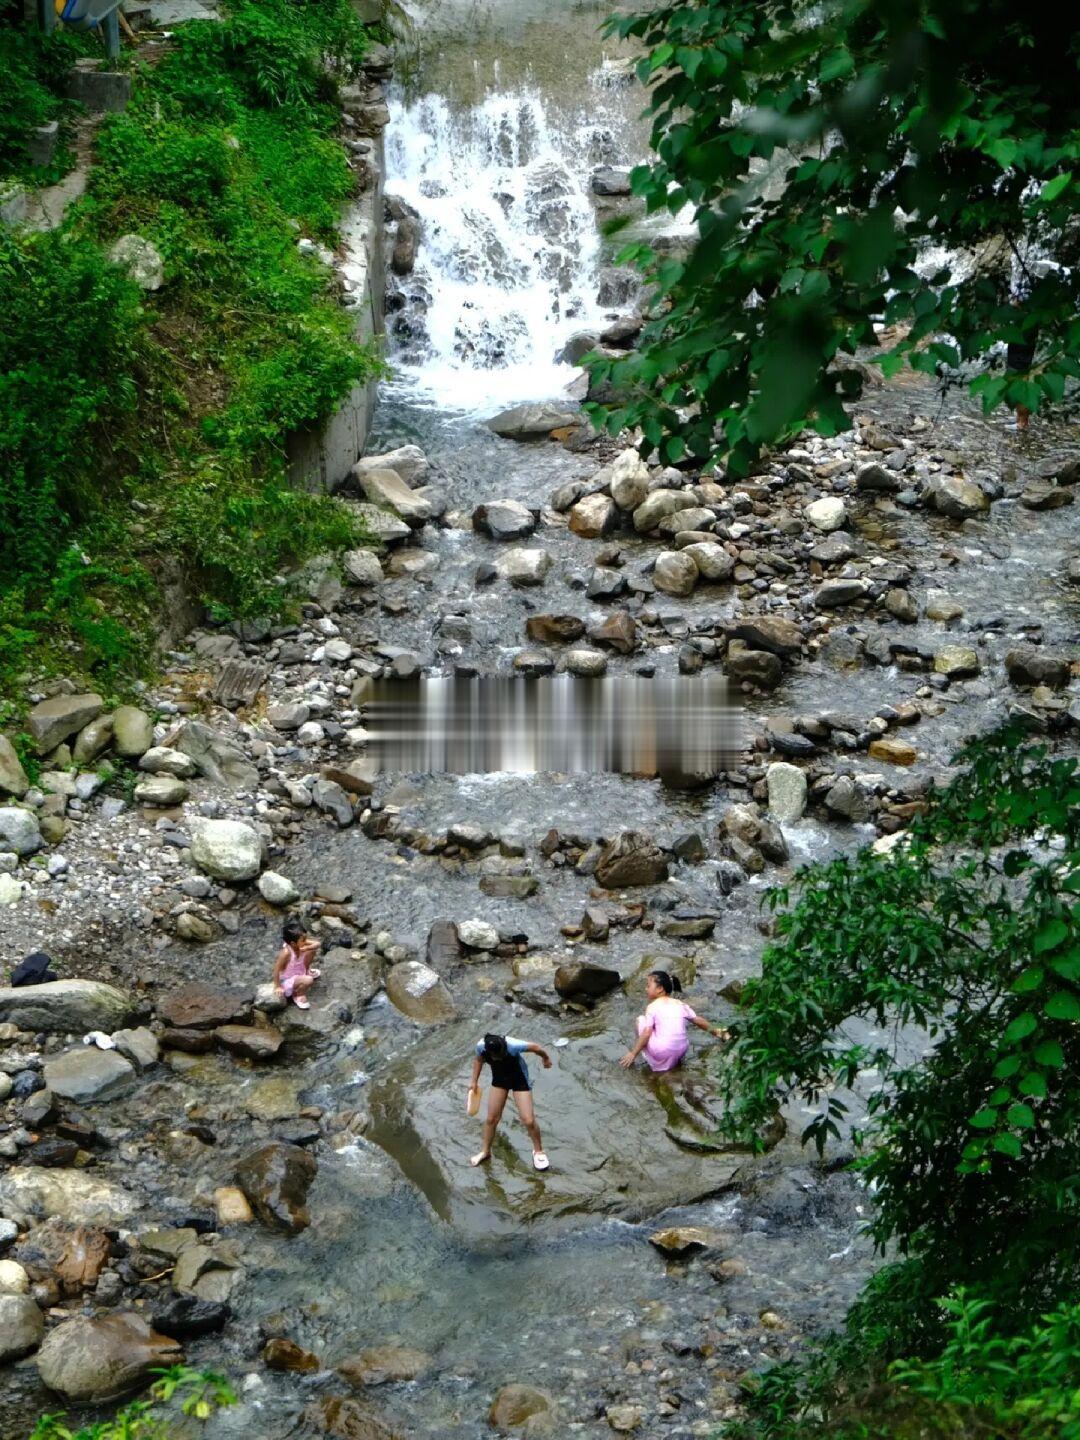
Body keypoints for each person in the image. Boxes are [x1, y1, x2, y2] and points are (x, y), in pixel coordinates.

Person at [468, 1033, 552, 1171]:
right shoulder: (481, 1047)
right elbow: (478, 1060)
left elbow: (536, 1047)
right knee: (491, 1119)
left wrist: (546, 1058)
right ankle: (485, 1151)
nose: (498, 1057)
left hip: (519, 1079)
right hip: (500, 1079)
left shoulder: (513, 1045)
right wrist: (474, 1082)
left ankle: (538, 1151)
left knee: (528, 1120)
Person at [619, 970, 728, 1072]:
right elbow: (698, 1020)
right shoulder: (679, 1003)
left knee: (641, 1020)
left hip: (662, 1051)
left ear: (660, 988)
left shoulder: (652, 1006)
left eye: (648, 986)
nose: (646, 989)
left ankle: (652, 1060)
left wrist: (633, 1053)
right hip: (681, 1049)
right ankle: (674, 1060)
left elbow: (647, 1032)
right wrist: (718, 1032)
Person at [271, 916, 321, 1010]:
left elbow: (317, 944)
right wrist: (277, 986)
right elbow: (276, 969)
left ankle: (306, 971)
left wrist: (307, 948)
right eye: (303, 940)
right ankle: (298, 994)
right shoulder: (286, 953)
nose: (305, 941)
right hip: (288, 979)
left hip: (299, 970)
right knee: (309, 980)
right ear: (293, 943)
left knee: (312, 950)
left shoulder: (299, 944)